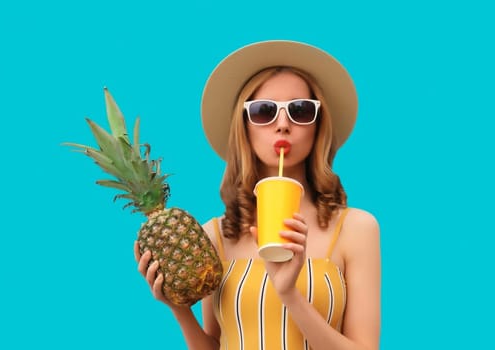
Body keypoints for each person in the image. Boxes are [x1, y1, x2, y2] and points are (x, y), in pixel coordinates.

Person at [135, 40, 381, 350]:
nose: (282, 125)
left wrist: (290, 293)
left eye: (300, 110)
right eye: (264, 111)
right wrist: (179, 308)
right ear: (245, 128)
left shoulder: (356, 229)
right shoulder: (216, 235)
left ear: (318, 126)